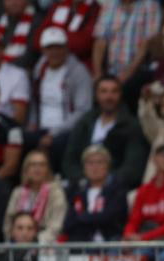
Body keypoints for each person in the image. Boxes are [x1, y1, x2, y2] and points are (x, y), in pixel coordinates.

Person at [63, 76, 149, 192]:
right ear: (96, 95)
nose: (109, 97)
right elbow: (70, 160)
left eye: (114, 91)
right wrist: (85, 180)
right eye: (104, 91)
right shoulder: (85, 122)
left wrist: (105, 182)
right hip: (83, 186)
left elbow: (133, 168)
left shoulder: (132, 126)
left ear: (120, 95)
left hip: (115, 191)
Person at [27, 27, 93, 171]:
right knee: (19, 138)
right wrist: (32, 124)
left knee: (56, 144)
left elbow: (83, 110)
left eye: (59, 47)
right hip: (41, 127)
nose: (54, 52)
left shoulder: (79, 72)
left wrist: (54, 133)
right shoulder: (40, 68)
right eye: (50, 48)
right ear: (43, 50)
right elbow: (34, 100)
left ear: (66, 48)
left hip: (67, 129)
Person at [123, 144, 164, 245]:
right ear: (154, 160)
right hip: (143, 236)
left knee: (143, 254)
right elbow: (134, 220)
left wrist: (144, 238)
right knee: (116, 251)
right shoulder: (144, 190)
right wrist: (128, 235)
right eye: (163, 156)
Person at [62, 145, 128, 242]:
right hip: (81, 243)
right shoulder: (75, 190)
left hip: (110, 242)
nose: (95, 167)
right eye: (90, 163)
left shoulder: (118, 188)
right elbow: (68, 222)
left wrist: (81, 217)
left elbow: (109, 217)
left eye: (100, 162)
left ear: (108, 166)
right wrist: (93, 218)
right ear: (84, 167)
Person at [3, 150, 66, 244]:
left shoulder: (56, 193)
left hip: (45, 245)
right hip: (17, 245)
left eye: (42, 165)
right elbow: (8, 222)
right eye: (33, 165)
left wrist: (35, 241)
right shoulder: (18, 192)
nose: (37, 168)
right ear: (26, 169)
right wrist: (12, 239)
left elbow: (56, 225)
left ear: (47, 169)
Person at [92, 0, 162, 84]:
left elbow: (147, 43)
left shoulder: (150, 5)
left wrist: (126, 74)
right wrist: (98, 73)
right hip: (111, 71)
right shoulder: (110, 5)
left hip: (140, 71)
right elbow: (100, 40)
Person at [34, 0, 102, 66]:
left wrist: (52, 36)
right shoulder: (59, 5)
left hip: (77, 65)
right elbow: (37, 39)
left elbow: (84, 44)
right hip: (49, 63)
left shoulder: (95, 9)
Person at [0, 0, 43, 69]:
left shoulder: (37, 21)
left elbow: (31, 55)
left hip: (23, 70)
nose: (13, 3)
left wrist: (2, 69)